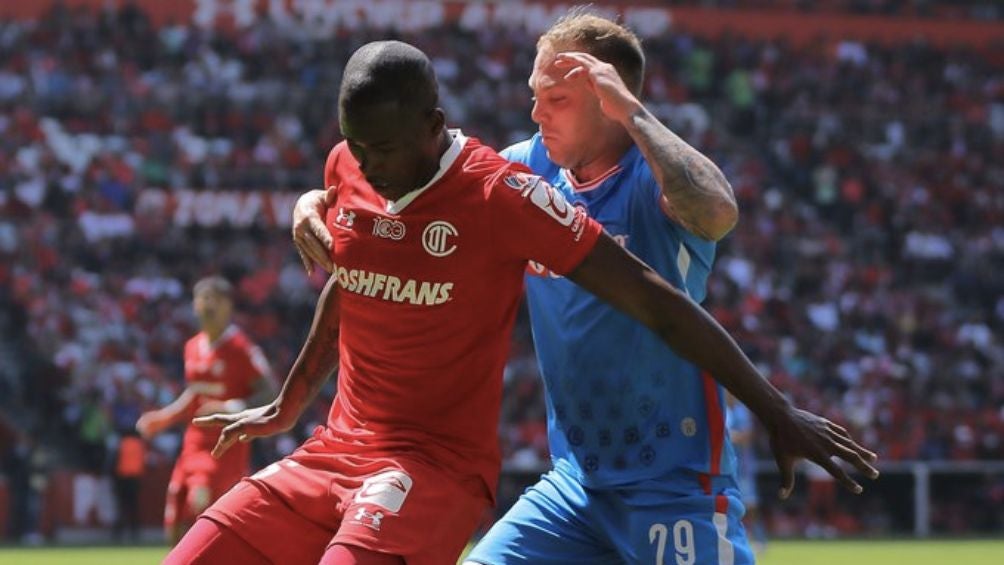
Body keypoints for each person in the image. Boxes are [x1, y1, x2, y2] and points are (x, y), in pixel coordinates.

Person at [175, 39, 876, 565]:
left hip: (669, 479)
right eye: (533, 95)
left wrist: (775, 409)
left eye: (557, 99)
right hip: (570, 481)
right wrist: (309, 204)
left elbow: (697, 243)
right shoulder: (523, 163)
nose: (536, 112)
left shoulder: (605, 186)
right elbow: (357, 261)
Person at [136, 276, 275, 544]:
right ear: (194, 305)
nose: (208, 304)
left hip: (225, 446)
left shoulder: (241, 348)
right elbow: (195, 393)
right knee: (174, 515)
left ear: (229, 307)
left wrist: (230, 407)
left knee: (205, 512)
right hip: (193, 443)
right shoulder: (192, 346)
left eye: (215, 298)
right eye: (203, 298)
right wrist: (163, 418)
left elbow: (269, 392)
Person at [726, 394, 767, 554]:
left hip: (743, 467)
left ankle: (760, 539)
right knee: (730, 504)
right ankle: (737, 540)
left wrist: (726, 435)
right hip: (728, 467)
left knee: (750, 506)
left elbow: (746, 436)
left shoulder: (741, 411)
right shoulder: (724, 410)